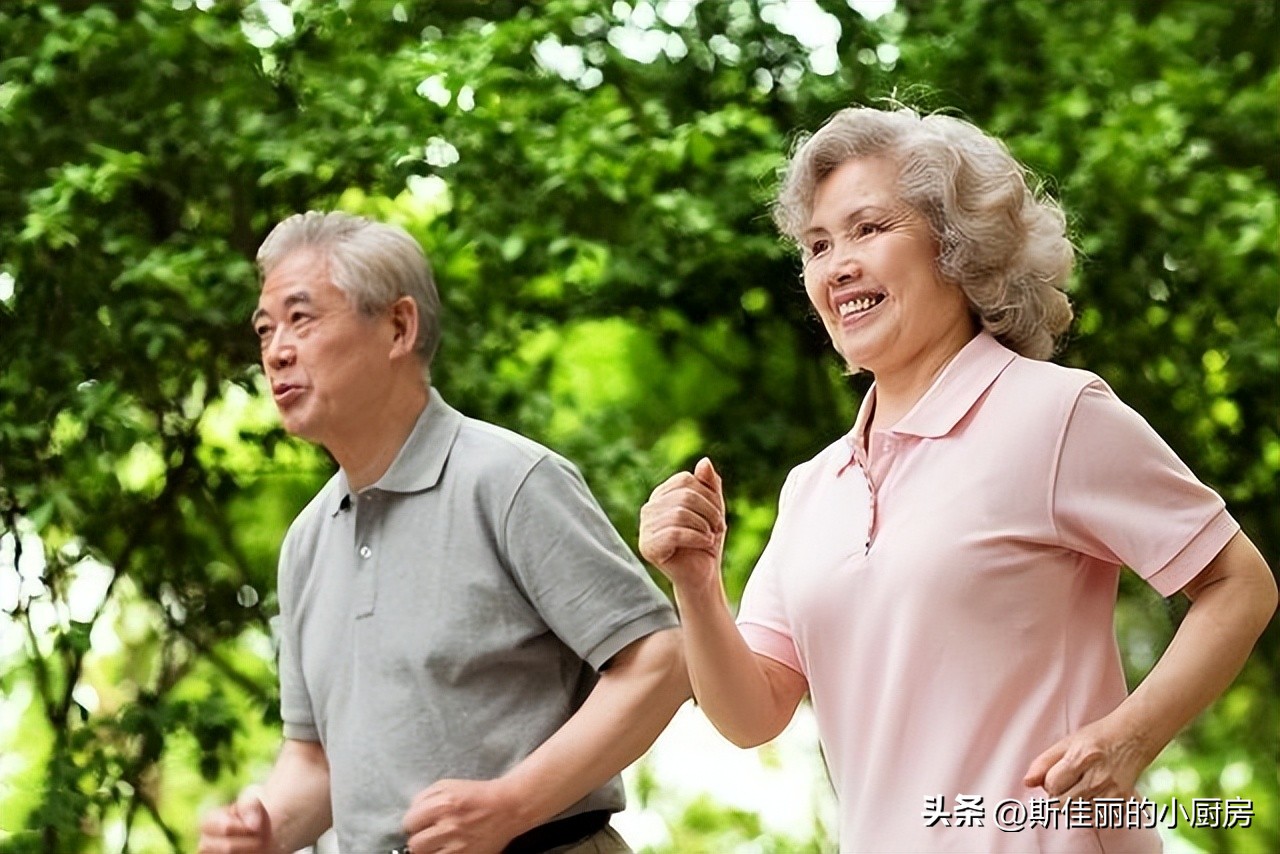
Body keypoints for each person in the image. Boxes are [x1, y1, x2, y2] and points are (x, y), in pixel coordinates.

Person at [639, 106, 1277, 853]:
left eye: (869, 229)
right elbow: (751, 716)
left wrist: (1131, 737)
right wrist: (695, 584)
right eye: (817, 244)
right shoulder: (814, 486)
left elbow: (1240, 583)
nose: (836, 264)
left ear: (956, 247)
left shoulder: (1054, 413)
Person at [198, 211, 688, 854]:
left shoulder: (511, 481)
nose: (276, 349)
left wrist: (511, 805)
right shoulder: (306, 542)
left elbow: (660, 662)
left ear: (399, 327)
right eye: (265, 329)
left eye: (302, 318)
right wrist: (262, 832)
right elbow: (315, 761)